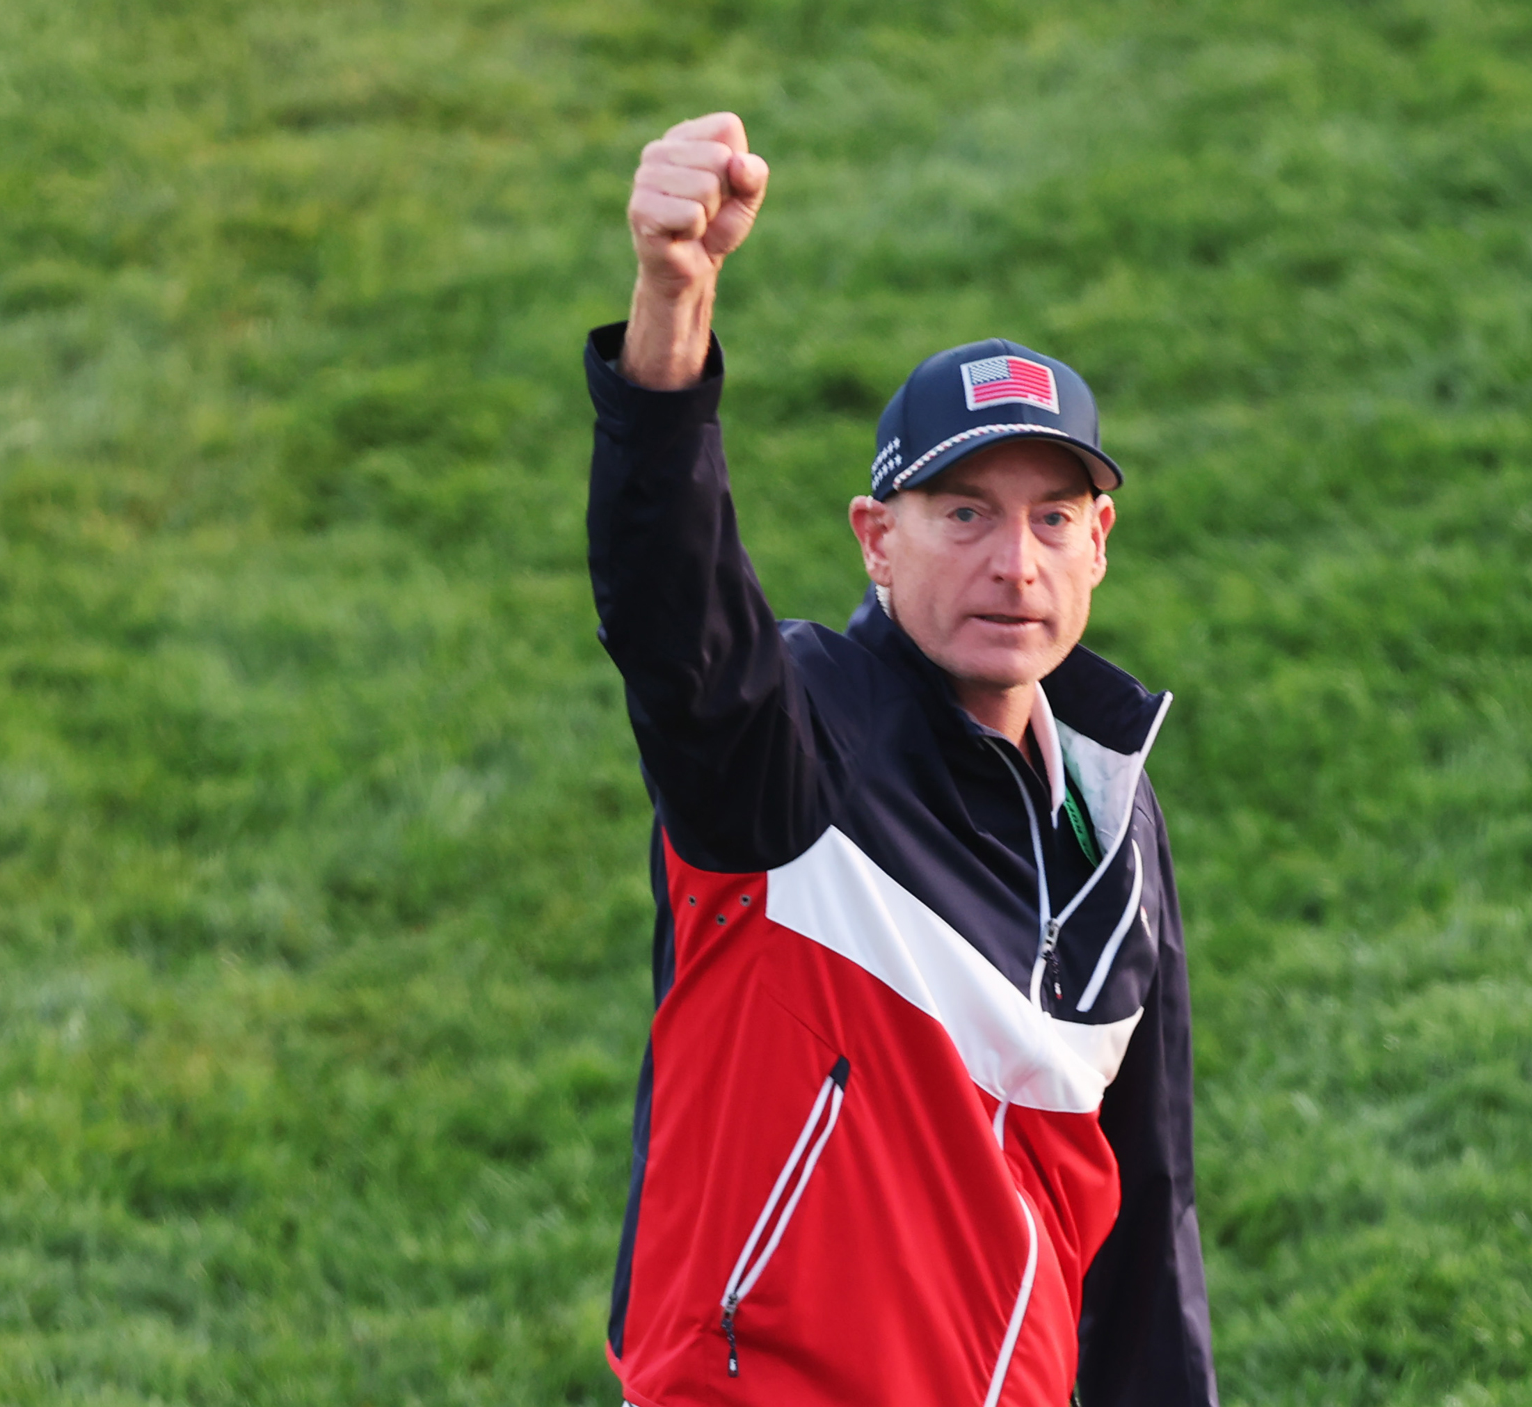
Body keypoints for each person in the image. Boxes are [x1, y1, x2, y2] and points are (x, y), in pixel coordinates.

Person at [585, 111, 1216, 1407]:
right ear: (878, 537)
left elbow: (1148, 1217)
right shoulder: (798, 734)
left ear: (1101, 540)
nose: (1015, 562)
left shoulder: (1113, 820)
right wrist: (670, 312)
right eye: (965, 514)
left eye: (1051, 518)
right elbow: (672, 617)